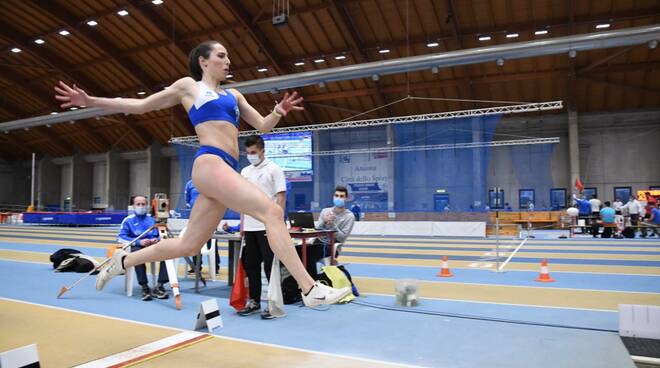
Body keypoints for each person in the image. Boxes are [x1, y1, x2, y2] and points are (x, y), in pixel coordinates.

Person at [55, 40, 351, 307]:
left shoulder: (234, 95)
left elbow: (261, 127)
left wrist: (278, 111)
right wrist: (91, 101)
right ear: (203, 61)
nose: (228, 61)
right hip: (210, 162)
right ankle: (310, 289)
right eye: (222, 55)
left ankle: (123, 260)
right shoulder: (189, 86)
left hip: (224, 169)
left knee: (190, 244)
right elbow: (140, 106)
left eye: (228, 56)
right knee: (272, 212)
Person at [237, 135, 286, 319]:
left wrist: (277, 223)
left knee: (270, 267)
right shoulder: (244, 172)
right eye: (248, 153)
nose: (251, 156)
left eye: (254, 152)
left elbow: (281, 197)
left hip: (268, 226)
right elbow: (242, 199)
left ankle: (273, 305)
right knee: (251, 266)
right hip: (249, 227)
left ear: (263, 151)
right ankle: (254, 301)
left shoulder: (274, 169)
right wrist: (242, 224)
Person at [118, 195, 169, 301]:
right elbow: (121, 238)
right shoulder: (128, 220)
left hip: (154, 247)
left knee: (169, 253)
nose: (141, 206)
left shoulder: (153, 219)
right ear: (133, 206)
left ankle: (160, 285)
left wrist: (157, 239)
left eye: (143, 204)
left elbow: (161, 234)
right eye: (138, 204)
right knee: (137, 254)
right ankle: (144, 287)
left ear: (147, 205)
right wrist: (138, 242)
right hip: (138, 247)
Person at [308, 186, 356, 277]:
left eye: (341, 196)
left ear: (346, 199)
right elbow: (316, 230)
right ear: (333, 197)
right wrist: (324, 221)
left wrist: (333, 224)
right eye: (336, 195)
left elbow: (342, 238)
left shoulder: (349, 216)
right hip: (318, 242)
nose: (338, 198)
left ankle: (313, 282)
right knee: (300, 250)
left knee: (309, 253)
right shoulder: (325, 211)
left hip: (332, 246)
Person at [184, 179, 219, 275]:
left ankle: (215, 266)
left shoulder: (210, 182)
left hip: (210, 215)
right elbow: (187, 198)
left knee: (211, 242)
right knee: (194, 242)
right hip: (195, 216)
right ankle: (196, 266)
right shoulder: (189, 184)